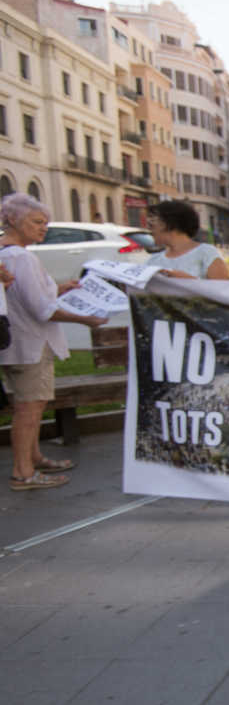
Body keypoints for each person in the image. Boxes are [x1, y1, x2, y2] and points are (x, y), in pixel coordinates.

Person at [0, 194, 107, 491]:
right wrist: (86, 319)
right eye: (37, 222)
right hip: (31, 343)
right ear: (12, 220)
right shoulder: (20, 257)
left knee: (29, 405)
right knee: (29, 409)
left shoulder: (7, 254)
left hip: (15, 342)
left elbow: (26, 297)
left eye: (45, 222)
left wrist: (60, 289)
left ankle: (33, 458)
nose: (43, 228)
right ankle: (23, 473)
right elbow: (42, 309)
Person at [146, 199, 229, 279]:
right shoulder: (153, 260)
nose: (148, 229)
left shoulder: (206, 253)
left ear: (169, 224)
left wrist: (188, 281)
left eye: (151, 225)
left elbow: (223, 290)